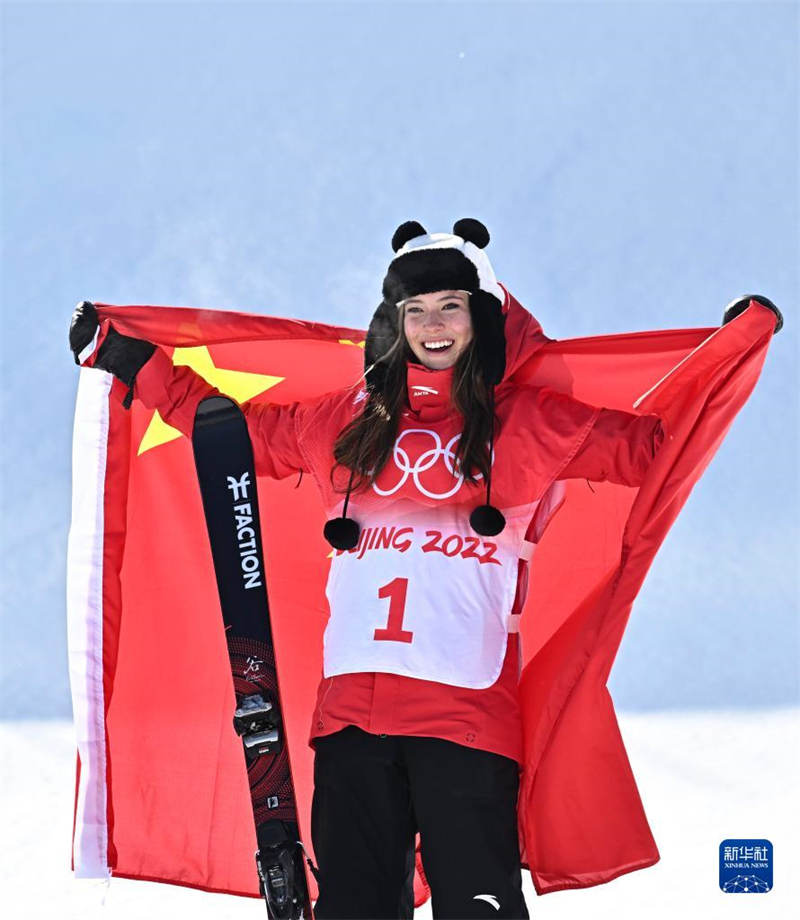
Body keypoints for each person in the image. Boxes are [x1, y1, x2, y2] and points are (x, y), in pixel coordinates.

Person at [70, 218, 670, 919]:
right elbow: (232, 432)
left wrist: (728, 361)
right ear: (394, 321)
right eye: (414, 310)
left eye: (450, 305)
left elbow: (657, 449)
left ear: (483, 313)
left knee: (480, 909)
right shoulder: (348, 422)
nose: (432, 324)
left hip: (467, 724)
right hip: (352, 725)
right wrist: (133, 361)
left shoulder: (533, 423)